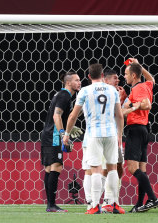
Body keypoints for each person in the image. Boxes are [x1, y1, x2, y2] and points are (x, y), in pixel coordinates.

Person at [63, 64, 125, 214]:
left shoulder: (85, 91)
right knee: (112, 168)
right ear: (102, 75)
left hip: (93, 134)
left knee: (95, 170)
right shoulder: (112, 90)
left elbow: (73, 115)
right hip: (110, 133)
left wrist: (66, 134)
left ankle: (94, 205)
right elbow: (119, 115)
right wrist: (119, 136)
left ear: (89, 76)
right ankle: (114, 204)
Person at [40, 71, 83, 212]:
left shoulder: (62, 95)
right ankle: (51, 205)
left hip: (48, 134)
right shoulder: (64, 95)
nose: (79, 82)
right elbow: (56, 115)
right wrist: (63, 133)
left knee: (49, 169)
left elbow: (66, 115)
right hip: (54, 136)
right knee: (56, 167)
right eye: (76, 80)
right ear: (68, 82)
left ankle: (50, 205)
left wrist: (70, 126)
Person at [122, 58, 158, 212]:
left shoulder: (138, 88)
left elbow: (147, 104)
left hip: (136, 129)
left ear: (134, 76)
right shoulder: (146, 85)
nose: (124, 76)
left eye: (126, 74)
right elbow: (152, 79)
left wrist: (130, 104)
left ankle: (152, 198)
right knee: (141, 171)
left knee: (132, 168)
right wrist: (140, 66)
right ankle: (139, 204)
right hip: (143, 130)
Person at [101, 69, 127, 212]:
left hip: (116, 136)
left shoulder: (117, 95)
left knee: (119, 168)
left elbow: (121, 115)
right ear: (106, 80)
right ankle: (105, 202)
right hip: (105, 136)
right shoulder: (103, 94)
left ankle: (114, 200)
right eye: (115, 78)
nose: (118, 81)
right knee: (106, 169)